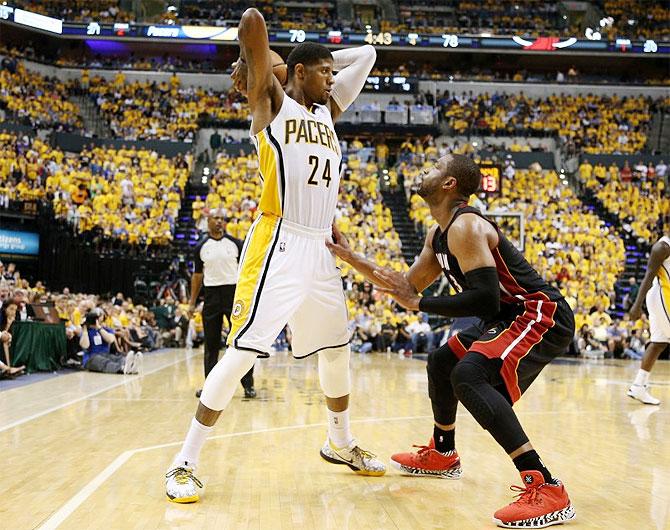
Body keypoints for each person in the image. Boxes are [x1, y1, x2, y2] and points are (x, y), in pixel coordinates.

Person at [165, 8, 381, 504]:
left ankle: (340, 442)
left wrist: (315, 61)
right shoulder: (272, 101)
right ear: (299, 74)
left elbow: (366, 55)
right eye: (324, 71)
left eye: (333, 71)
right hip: (278, 241)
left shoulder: (328, 112)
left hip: (320, 247)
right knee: (242, 351)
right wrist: (278, 67)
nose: (333, 77)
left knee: (336, 349)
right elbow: (252, 21)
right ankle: (184, 460)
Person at [327, 154, 576, 528]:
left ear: (448, 184)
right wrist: (351, 258)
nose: (425, 169)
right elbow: (406, 287)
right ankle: (444, 454)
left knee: (469, 375)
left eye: (434, 166)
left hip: (538, 313)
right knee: (442, 361)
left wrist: (421, 303)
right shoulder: (438, 233)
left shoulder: (467, 226)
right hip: (505, 317)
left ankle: (544, 484)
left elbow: (485, 298)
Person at [190, 208, 256, 399]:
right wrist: (192, 302)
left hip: (234, 295)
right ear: (208, 221)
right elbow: (197, 276)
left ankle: (248, 385)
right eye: (215, 218)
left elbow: (247, 270)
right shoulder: (201, 246)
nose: (219, 221)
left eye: (222, 218)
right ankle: (210, 387)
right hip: (211, 296)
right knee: (210, 345)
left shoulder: (236, 244)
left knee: (241, 342)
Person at [627, 233, 670, 405]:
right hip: (662, 297)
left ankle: (638, 386)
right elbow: (648, 276)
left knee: (659, 342)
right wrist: (636, 306)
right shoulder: (662, 247)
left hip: (664, 297)